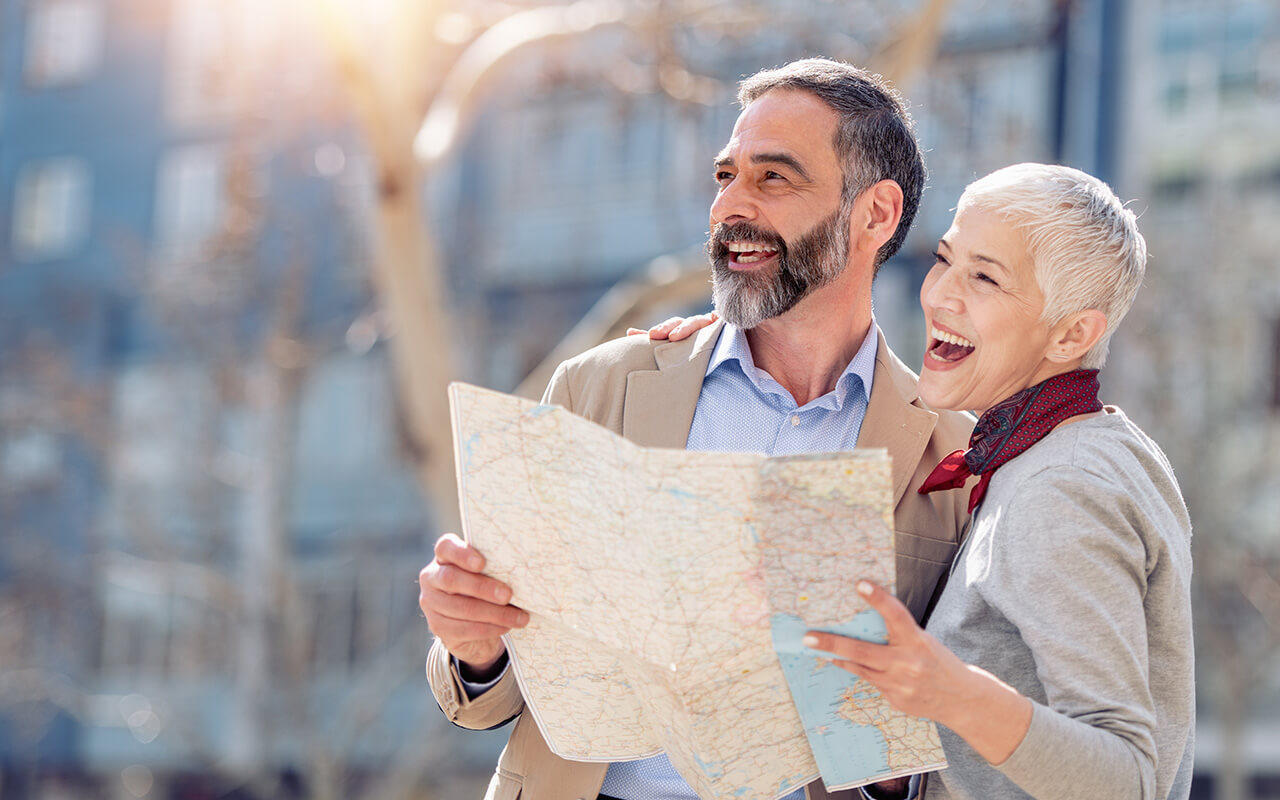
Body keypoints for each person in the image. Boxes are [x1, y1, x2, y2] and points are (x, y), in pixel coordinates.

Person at [418, 58, 976, 800]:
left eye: (773, 178)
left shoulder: (956, 457)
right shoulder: (602, 388)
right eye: (725, 177)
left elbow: (957, 747)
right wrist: (473, 645)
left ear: (874, 214)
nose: (730, 207)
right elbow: (494, 691)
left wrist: (888, 749)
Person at [658, 163, 1196, 799]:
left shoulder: (1066, 484)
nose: (941, 294)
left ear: (1073, 334)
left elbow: (1128, 780)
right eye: (945, 259)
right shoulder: (1062, 451)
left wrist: (951, 693)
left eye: (986, 278)